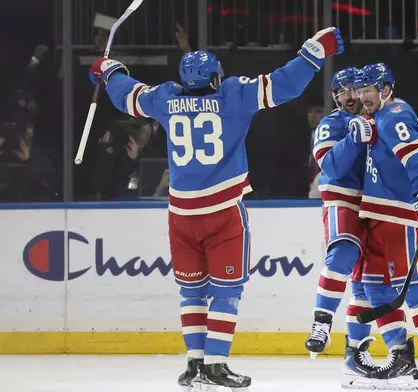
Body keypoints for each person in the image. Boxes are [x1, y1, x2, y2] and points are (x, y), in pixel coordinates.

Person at [88, 27, 344, 391]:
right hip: (222, 211)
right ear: (215, 77)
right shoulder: (234, 95)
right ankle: (216, 365)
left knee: (191, 293)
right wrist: (314, 51)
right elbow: (286, 84)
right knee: (226, 292)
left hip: (181, 215)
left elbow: (127, 96)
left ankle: (195, 365)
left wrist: (108, 69)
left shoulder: (164, 98)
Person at [349, 63, 418, 391]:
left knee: (417, 285)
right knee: (374, 285)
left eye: (369, 89)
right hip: (376, 214)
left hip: (399, 215)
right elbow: (396, 155)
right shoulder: (379, 117)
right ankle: (400, 354)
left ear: (386, 89)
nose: (362, 96)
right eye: (360, 89)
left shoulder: (393, 113)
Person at [304, 66, 379, 387]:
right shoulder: (330, 124)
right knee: (343, 254)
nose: (351, 96)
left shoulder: (381, 118)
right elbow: (330, 166)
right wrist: (353, 136)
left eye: (356, 89)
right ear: (335, 96)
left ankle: (356, 353)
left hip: (377, 204)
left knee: (365, 282)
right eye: (343, 91)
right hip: (344, 200)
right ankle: (321, 321)